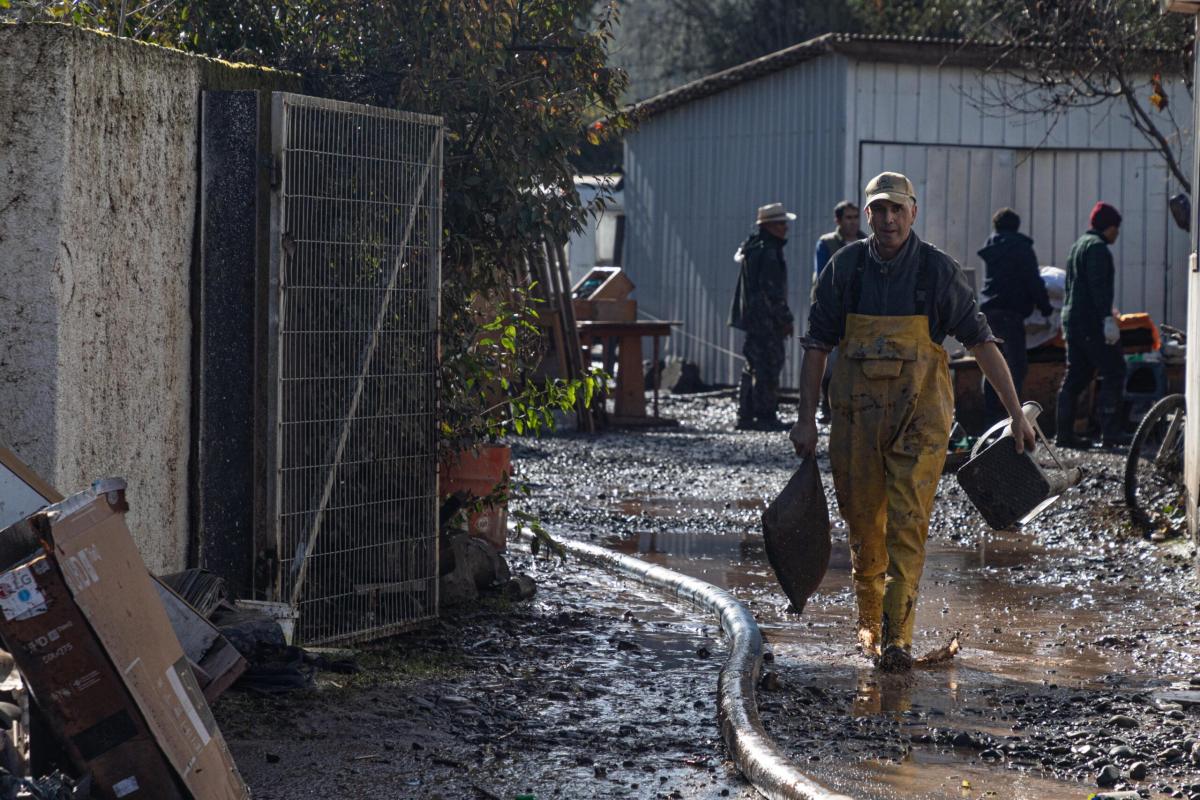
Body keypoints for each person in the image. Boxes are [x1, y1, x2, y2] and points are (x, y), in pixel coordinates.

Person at [789, 172, 1035, 672]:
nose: (888, 219)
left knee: (908, 527)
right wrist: (805, 420)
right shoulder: (845, 270)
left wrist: (1015, 413)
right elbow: (816, 346)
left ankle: (896, 641)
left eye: (897, 209)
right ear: (867, 214)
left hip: (920, 420)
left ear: (913, 212)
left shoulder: (938, 272)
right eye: (879, 210)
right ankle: (870, 634)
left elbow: (981, 342)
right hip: (855, 423)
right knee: (865, 532)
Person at [1056, 202, 1127, 448]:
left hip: (1073, 320)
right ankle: (1110, 434)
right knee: (1114, 370)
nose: (1117, 233)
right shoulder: (1098, 248)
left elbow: (1070, 287)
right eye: (1116, 228)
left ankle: (1064, 435)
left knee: (1076, 375)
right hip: (1090, 322)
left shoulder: (1078, 245)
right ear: (1109, 227)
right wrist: (1107, 318)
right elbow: (1099, 287)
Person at [977, 208, 1053, 424]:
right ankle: (1013, 419)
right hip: (1010, 313)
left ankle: (991, 419)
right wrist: (1045, 306)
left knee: (992, 365)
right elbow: (1033, 280)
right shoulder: (1021, 247)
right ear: (1016, 226)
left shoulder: (991, 247)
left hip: (988, 312)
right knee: (1017, 366)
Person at [729, 203, 795, 430]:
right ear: (769, 226)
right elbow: (773, 292)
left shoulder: (753, 247)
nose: (785, 228)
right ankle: (765, 415)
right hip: (767, 322)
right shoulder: (769, 252)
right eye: (780, 223)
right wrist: (785, 319)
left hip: (753, 320)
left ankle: (745, 415)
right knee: (769, 366)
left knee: (752, 365)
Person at [814, 201, 868, 422]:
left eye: (856, 217)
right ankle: (825, 406)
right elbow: (823, 278)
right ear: (838, 220)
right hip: (834, 310)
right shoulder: (827, 243)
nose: (853, 222)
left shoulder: (868, 241)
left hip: (861, 311)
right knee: (830, 362)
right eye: (848, 217)